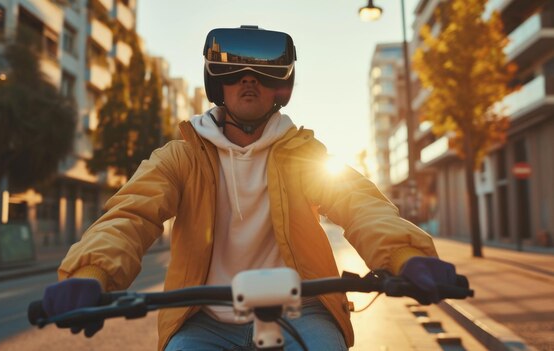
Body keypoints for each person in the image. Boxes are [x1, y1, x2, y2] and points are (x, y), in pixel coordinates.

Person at [42, 26, 457, 351]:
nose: (248, 81)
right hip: (203, 319)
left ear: (280, 88)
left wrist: (405, 254)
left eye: (262, 74)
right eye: (234, 72)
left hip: (303, 310)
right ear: (215, 83)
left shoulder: (304, 154)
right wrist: (92, 271)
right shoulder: (180, 157)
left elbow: (358, 201)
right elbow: (132, 214)